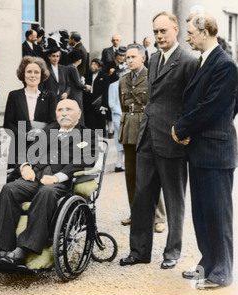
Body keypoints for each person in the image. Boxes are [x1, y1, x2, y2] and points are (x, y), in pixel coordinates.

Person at [120, 11, 197, 270]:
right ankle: (139, 251)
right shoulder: (152, 59)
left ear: (175, 29)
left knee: (174, 200)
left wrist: (185, 132)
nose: (159, 36)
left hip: (173, 141)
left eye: (163, 31)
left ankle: (172, 252)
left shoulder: (187, 61)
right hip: (147, 140)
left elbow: (192, 103)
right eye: (155, 32)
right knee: (142, 197)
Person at [0, 99, 98, 271]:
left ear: (79, 114)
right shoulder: (49, 129)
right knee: (9, 189)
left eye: (69, 109)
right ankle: (3, 250)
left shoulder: (88, 134)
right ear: (55, 114)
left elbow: (85, 160)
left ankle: (21, 251)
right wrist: (25, 167)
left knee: (46, 192)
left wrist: (57, 177)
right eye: (60, 109)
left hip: (60, 185)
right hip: (34, 179)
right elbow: (25, 151)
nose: (64, 113)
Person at [173, 13, 238, 290]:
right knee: (201, 212)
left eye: (190, 32)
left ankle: (221, 272)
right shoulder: (207, 62)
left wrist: (181, 129)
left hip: (215, 152)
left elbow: (211, 107)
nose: (187, 38)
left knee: (217, 214)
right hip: (203, 148)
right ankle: (208, 263)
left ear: (205, 32)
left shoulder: (224, 64)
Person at [116, 43, 166, 231]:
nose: (129, 60)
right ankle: (135, 212)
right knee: (131, 175)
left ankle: (158, 217)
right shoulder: (123, 80)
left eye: (133, 57)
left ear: (143, 58)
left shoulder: (151, 78)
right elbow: (124, 106)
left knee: (151, 174)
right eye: (127, 57)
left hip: (146, 129)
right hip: (128, 129)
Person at [4, 56, 57, 177]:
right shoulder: (14, 96)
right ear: (23, 74)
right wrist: (25, 135)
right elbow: (8, 123)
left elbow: (54, 122)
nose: (32, 75)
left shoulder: (50, 96)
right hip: (19, 148)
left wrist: (40, 133)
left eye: (36, 72)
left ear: (41, 75)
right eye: (29, 72)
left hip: (42, 148)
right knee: (16, 185)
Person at [83, 59, 110, 136]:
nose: (92, 66)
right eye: (92, 64)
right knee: (89, 121)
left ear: (99, 67)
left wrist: (104, 104)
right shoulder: (86, 76)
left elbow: (106, 91)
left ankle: (100, 139)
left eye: (95, 65)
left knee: (100, 122)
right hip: (88, 102)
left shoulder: (104, 76)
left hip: (99, 102)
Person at [67, 49, 90, 126]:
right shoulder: (73, 68)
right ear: (79, 59)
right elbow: (78, 84)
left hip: (72, 93)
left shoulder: (69, 67)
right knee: (78, 113)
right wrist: (86, 86)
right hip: (76, 94)